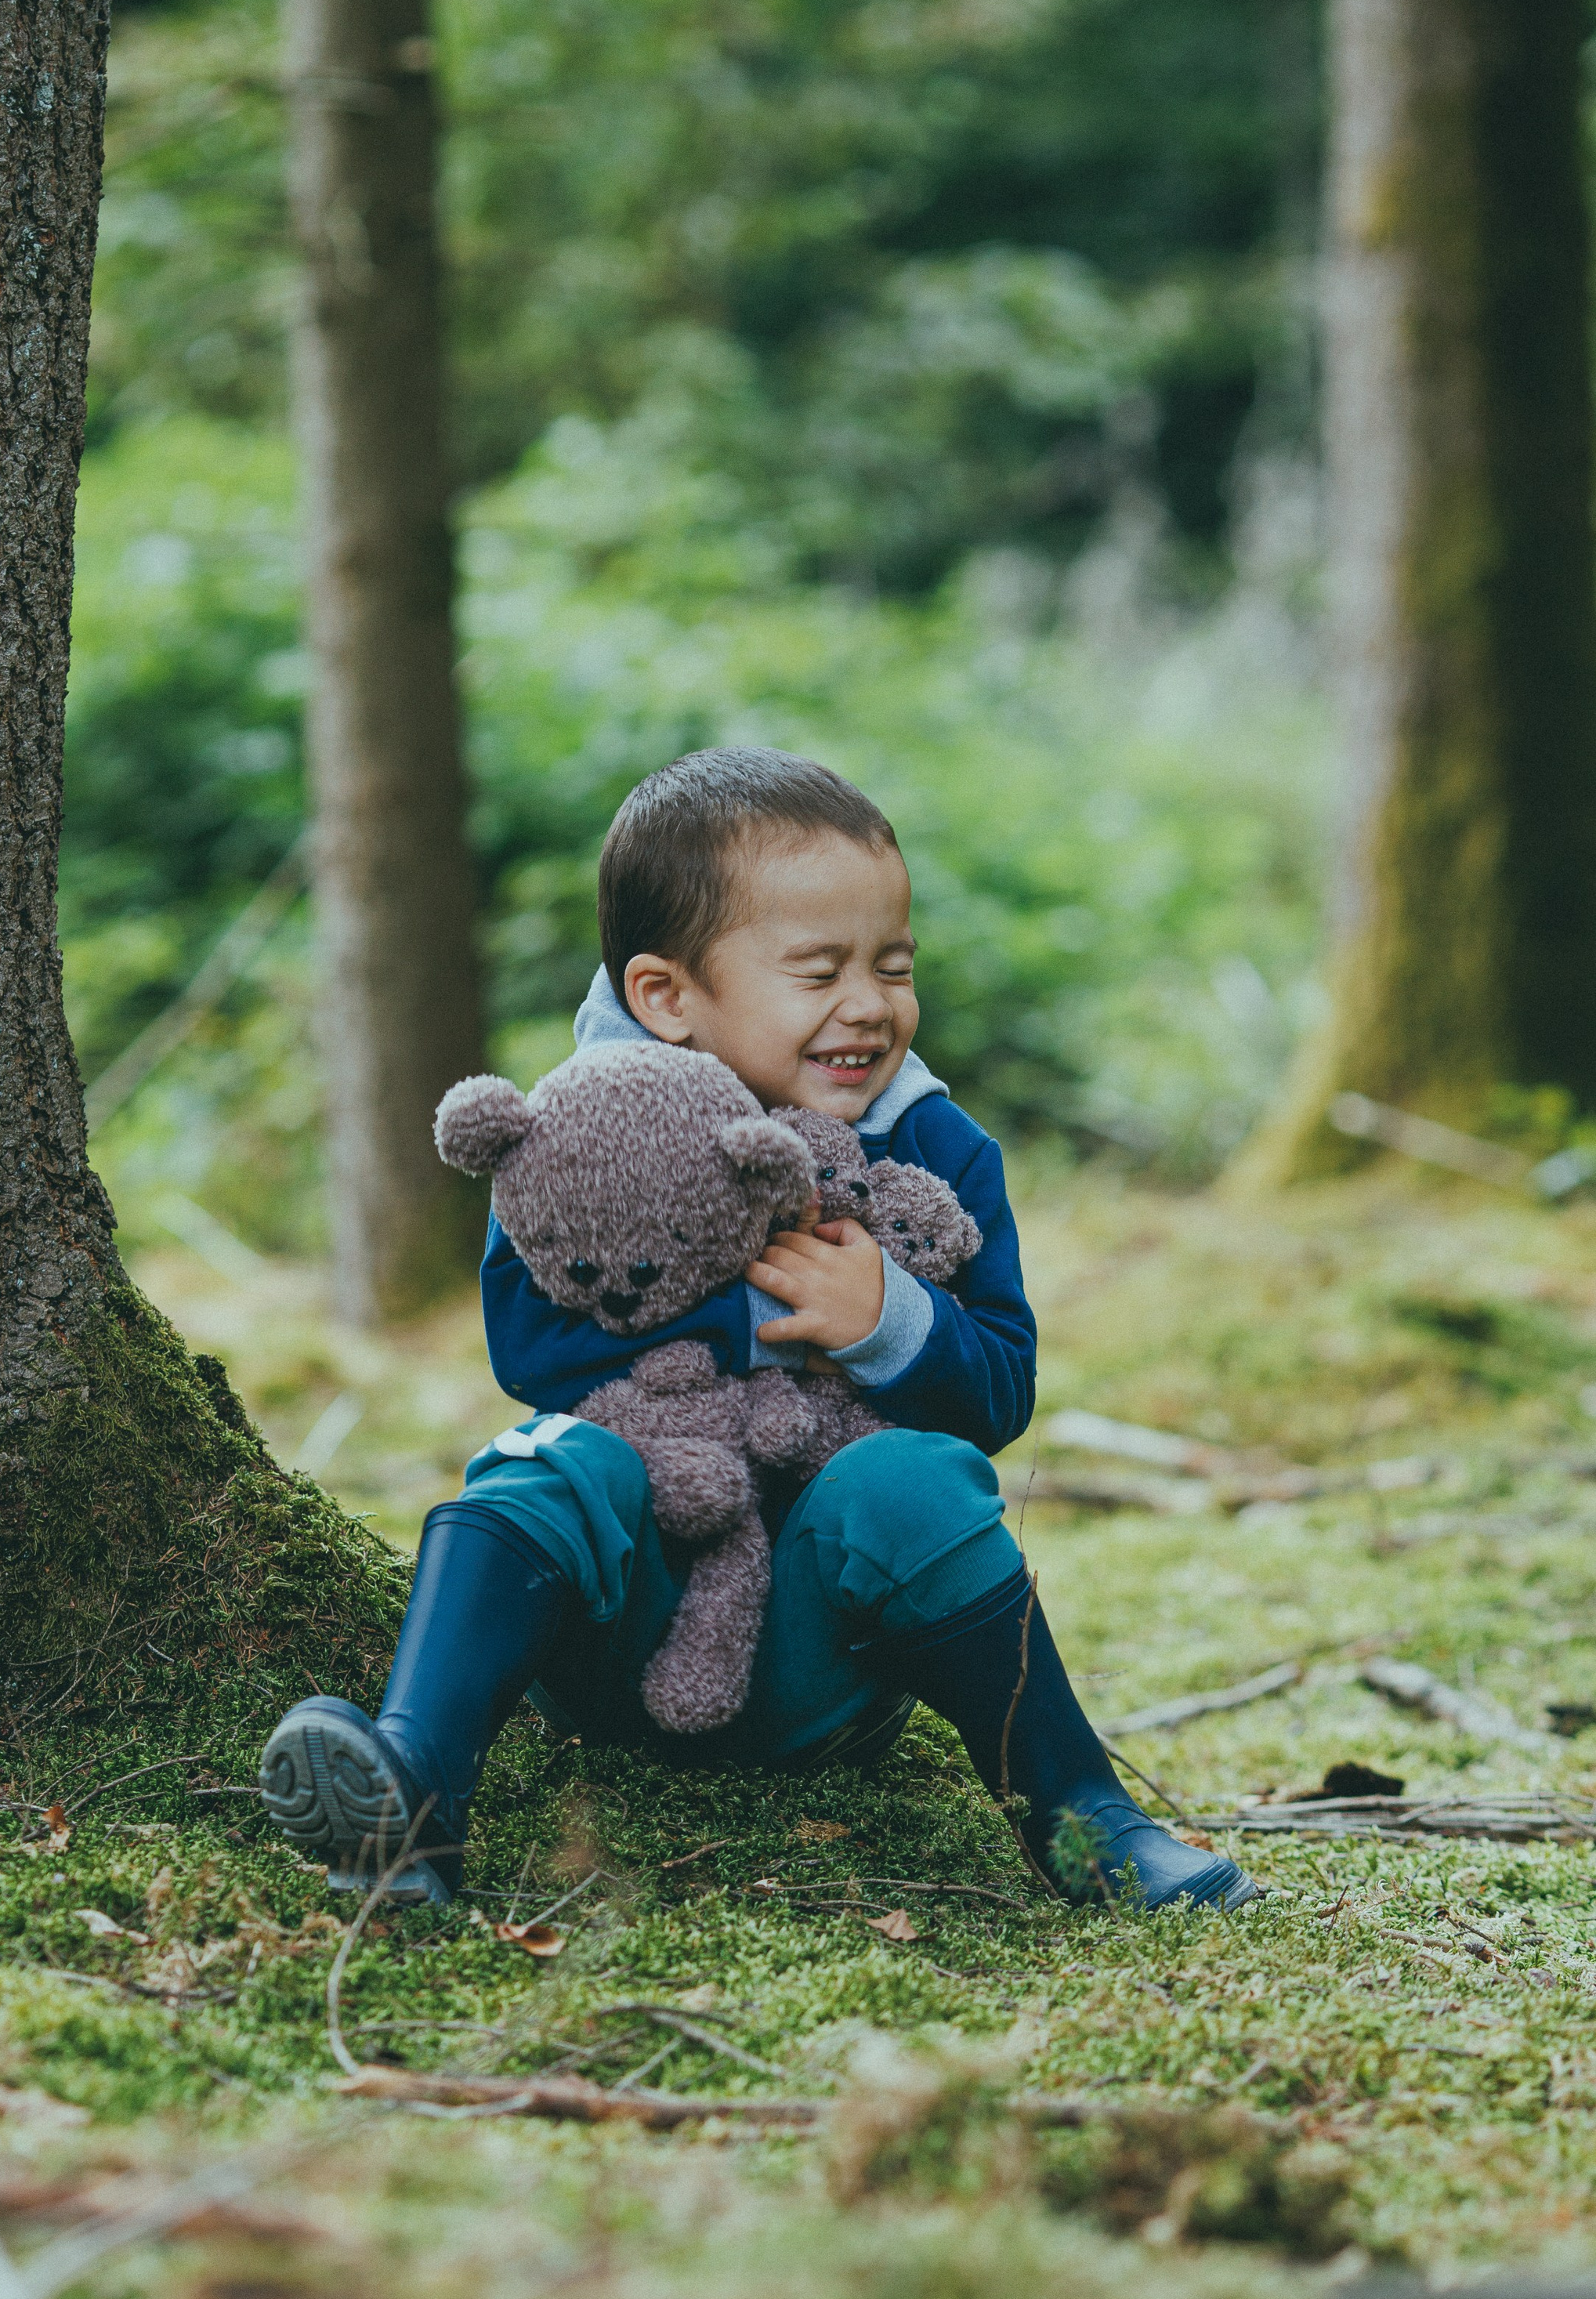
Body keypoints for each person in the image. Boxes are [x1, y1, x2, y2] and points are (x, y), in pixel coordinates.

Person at [260, 748, 1256, 1914]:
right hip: (614, 1639)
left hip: (819, 1660)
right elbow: (534, 1351)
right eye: (819, 970)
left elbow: (1001, 1388)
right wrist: (758, 1315)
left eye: (894, 964)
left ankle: (1087, 1818)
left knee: (911, 1473)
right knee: (552, 1456)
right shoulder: (577, 1133)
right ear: (666, 996)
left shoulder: (934, 1151)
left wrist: (888, 1320)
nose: (872, 1004)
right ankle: (417, 1784)